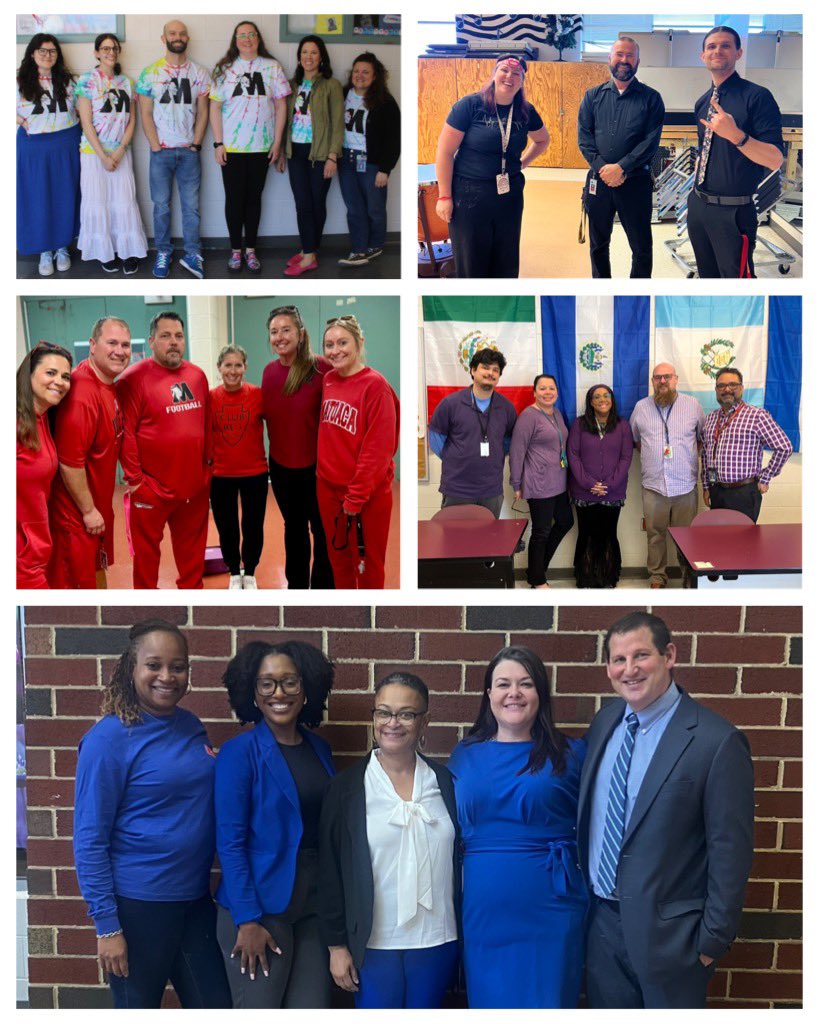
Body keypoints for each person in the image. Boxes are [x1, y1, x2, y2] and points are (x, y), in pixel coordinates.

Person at [578, 611, 755, 1008]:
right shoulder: (605, 724)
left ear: (669, 655)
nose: (629, 670)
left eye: (641, 655)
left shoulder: (715, 742)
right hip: (602, 929)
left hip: (674, 942)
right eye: (618, 659)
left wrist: (711, 942)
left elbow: (731, 850)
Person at [73, 619, 232, 1009]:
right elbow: (90, 838)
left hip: (194, 901)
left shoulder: (190, 726)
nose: (167, 676)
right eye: (154, 665)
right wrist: (107, 927)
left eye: (178, 667)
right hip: (138, 908)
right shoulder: (108, 739)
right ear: (132, 668)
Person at [449, 647, 587, 1008]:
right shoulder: (464, 754)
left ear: (540, 693)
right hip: (484, 909)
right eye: (503, 684)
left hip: (551, 906)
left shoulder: (571, 754)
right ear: (489, 694)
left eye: (525, 684)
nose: (514, 693)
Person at [319, 672, 460, 1008]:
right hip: (373, 942)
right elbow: (329, 871)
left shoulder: (446, 782)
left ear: (425, 721)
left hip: (437, 938)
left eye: (406, 714)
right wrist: (336, 946)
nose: (392, 723)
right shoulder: (346, 789)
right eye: (384, 712)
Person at [215, 640, 335, 1008]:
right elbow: (230, 843)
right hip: (260, 909)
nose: (278, 693)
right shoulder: (239, 753)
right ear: (252, 692)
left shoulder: (319, 749)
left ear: (306, 688)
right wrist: (247, 920)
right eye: (266, 683)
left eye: (289, 682)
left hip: (312, 907)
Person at [116, 311, 210, 589]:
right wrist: (136, 481)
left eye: (179, 336)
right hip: (151, 490)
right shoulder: (132, 379)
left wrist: (208, 469)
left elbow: (207, 425)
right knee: (146, 562)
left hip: (193, 487)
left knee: (193, 559)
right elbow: (126, 433)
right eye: (166, 336)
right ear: (151, 341)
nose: (174, 342)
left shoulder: (197, 376)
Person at [435, 55, 550, 278]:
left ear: (522, 81)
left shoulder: (526, 110)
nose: (509, 77)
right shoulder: (469, 106)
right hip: (470, 196)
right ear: (494, 74)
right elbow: (445, 152)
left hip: (509, 196)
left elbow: (543, 139)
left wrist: (522, 163)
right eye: (504, 70)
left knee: (506, 259)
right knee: (472, 260)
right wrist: (444, 196)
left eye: (516, 74)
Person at [688, 26, 784, 278]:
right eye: (711, 46)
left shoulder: (757, 97)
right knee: (707, 277)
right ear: (702, 56)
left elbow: (775, 159)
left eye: (726, 45)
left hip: (733, 213)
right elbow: (704, 150)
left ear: (738, 53)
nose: (717, 51)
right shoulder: (702, 102)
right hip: (698, 206)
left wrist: (736, 136)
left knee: (736, 281)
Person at [317, 315, 399, 589]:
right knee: (338, 563)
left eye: (343, 342)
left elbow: (378, 451)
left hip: (366, 497)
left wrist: (355, 497)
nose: (335, 350)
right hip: (328, 490)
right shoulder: (328, 379)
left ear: (359, 343)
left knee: (367, 568)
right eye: (329, 345)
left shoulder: (375, 386)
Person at [48, 317, 131, 589]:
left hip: (94, 510)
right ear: (93, 345)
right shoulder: (83, 392)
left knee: (97, 580)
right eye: (112, 343)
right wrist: (88, 510)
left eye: (125, 345)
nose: (120, 351)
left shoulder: (108, 385)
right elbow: (69, 462)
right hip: (75, 518)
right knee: (80, 591)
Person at [578, 36, 665, 278]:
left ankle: (637, 293)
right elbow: (584, 138)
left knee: (641, 248)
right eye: (619, 54)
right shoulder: (592, 96)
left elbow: (651, 141)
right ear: (610, 58)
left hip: (635, 183)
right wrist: (604, 169)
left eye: (630, 55)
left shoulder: (651, 98)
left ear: (638, 61)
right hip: (599, 183)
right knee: (598, 246)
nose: (624, 60)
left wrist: (622, 167)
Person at [261, 305, 334, 589]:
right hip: (281, 469)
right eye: (274, 332)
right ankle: (297, 589)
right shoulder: (269, 372)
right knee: (294, 530)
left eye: (286, 330)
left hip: (317, 470)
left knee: (322, 531)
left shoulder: (322, 368)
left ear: (300, 334)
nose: (279, 337)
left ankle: (323, 591)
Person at [210, 21, 291, 274]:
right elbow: (215, 107)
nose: (247, 39)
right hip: (232, 148)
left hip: (261, 147)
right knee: (234, 200)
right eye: (242, 35)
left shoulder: (272, 67)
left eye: (251, 34)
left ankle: (251, 250)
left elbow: (281, 106)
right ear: (235, 41)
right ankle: (236, 250)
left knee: (254, 199)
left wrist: (277, 142)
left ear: (258, 38)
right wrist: (218, 143)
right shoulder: (224, 69)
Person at [136, 20, 212, 280]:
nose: (177, 37)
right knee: (161, 206)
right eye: (172, 33)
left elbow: (203, 112)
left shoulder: (200, 73)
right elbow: (145, 113)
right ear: (163, 38)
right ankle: (163, 252)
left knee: (191, 207)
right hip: (161, 152)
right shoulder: (150, 73)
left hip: (189, 152)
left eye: (181, 34)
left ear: (187, 38)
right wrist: (155, 144)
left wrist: (196, 144)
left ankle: (193, 254)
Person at [76, 33, 148, 274]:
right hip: (93, 153)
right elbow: (86, 122)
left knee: (123, 201)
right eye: (105, 48)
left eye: (114, 48)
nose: (111, 52)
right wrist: (103, 156)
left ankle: (128, 251)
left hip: (120, 151)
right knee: (98, 202)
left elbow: (132, 120)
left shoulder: (127, 82)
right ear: (96, 53)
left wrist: (118, 152)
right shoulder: (87, 80)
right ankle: (104, 253)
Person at [630, 364, 705, 588]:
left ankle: (688, 577)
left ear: (676, 379)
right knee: (655, 535)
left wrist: (685, 458)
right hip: (654, 487)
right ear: (652, 381)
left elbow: (701, 438)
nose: (662, 381)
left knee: (686, 537)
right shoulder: (641, 407)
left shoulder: (692, 405)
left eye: (667, 377)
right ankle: (657, 577)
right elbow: (636, 440)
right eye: (658, 377)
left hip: (685, 486)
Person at [16, 33, 81, 276]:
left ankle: (62, 246)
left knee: (65, 195)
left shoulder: (69, 81)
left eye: (52, 51)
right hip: (34, 147)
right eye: (42, 50)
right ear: (32, 53)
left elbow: (82, 110)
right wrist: (19, 120)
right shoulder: (18, 81)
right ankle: (45, 249)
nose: (47, 55)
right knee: (38, 197)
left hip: (66, 143)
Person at [279, 35, 344, 277]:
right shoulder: (291, 85)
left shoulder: (331, 85)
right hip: (295, 151)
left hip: (320, 153)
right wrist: (282, 151)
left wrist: (332, 156)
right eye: (304, 52)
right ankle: (309, 251)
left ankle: (309, 253)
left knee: (316, 204)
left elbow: (338, 124)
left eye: (314, 52)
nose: (309, 57)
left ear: (321, 57)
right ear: (299, 57)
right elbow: (284, 120)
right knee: (302, 204)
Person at [428, 348, 518, 518]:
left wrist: (493, 455)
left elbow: (507, 441)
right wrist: (457, 457)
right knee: (455, 534)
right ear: (473, 370)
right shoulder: (451, 404)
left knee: (488, 534)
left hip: (491, 490)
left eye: (495, 370)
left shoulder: (506, 408)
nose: (490, 373)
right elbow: (435, 439)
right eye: (485, 367)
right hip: (457, 489)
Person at [209, 345, 268, 589]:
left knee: (253, 526)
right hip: (221, 474)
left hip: (255, 473)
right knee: (227, 527)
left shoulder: (258, 394)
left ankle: (250, 572)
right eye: (228, 365)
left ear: (245, 367)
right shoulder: (210, 397)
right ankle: (234, 571)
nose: (233, 371)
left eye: (238, 365)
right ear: (219, 367)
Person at [701, 367, 793, 522]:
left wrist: (765, 478)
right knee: (718, 535)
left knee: (744, 537)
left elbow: (784, 447)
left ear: (742, 388)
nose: (727, 389)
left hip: (744, 493)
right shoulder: (710, 419)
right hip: (716, 490)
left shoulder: (757, 416)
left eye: (732, 384)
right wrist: (706, 486)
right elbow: (705, 454)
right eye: (721, 386)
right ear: (716, 390)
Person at [16, 342, 73, 588]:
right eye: (51, 373)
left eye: (65, 377)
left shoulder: (42, 419)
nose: (59, 382)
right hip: (19, 558)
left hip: (35, 552)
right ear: (28, 375)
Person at [337, 52, 401, 267]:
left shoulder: (385, 102)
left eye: (365, 72)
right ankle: (358, 249)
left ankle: (375, 245)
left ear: (375, 76)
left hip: (371, 163)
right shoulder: (342, 94)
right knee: (354, 207)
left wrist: (385, 169)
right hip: (346, 160)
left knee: (375, 207)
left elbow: (393, 139)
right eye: (356, 71)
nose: (359, 75)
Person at [509, 374, 573, 587]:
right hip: (538, 483)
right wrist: (516, 483)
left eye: (551, 388)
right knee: (541, 532)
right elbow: (517, 451)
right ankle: (537, 579)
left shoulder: (557, 413)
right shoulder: (528, 416)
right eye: (542, 388)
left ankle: (536, 568)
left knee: (565, 522)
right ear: (534, 392)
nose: (547, 392)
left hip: (559, 483)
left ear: (557, 392)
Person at [567, 385, 633, 589]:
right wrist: (589, 483)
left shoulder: (622, 425)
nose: (602, 399)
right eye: (597, 397)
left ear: (612, 399)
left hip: (613, 492)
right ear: (591, 402)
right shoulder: (579, 424)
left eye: (606, 395)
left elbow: (626, 457)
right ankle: (586, 577)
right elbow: (573, 455)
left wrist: (609, 485)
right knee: (586, 534)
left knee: (608, 534)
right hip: (583, 492)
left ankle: (608, 577)